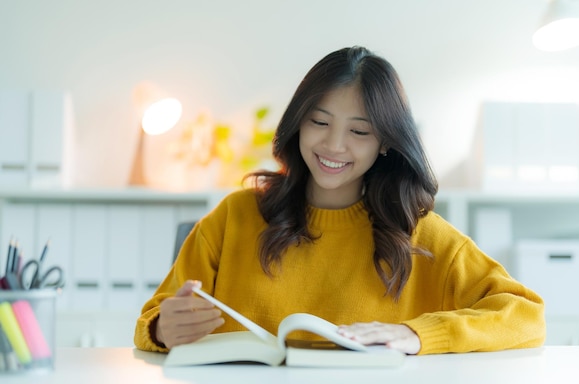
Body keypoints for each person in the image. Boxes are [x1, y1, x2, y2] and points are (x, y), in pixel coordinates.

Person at [134, 46, 545, 355]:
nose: (334, 145)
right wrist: (163, 330)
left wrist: (416, 334)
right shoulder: (235, 217)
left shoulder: (420, 234)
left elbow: (526, 316)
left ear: (385, 142)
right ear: (298, 123)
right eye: (320, 122)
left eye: (359, 132)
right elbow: (149, 322)